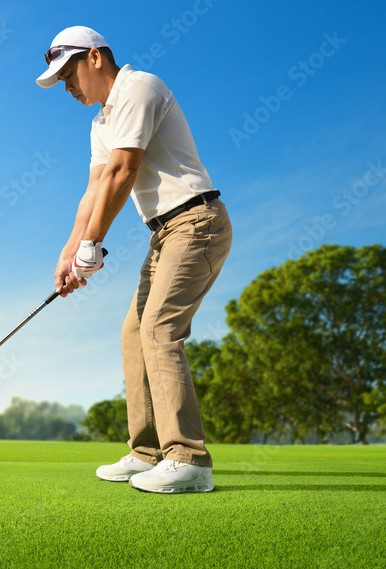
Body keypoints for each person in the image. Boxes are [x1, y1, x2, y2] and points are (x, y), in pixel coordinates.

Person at [36, 26, 232, 494]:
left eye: (69, 72)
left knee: (159, 329)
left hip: (197, 221)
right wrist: (71, 251)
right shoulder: (101, 122)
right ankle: (148, 452)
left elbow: (126, 170)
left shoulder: (139, 87)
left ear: (97, 58)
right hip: (164, 234)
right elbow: (95, 189)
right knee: (132, 334)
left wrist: (93, 245)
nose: (66, 85)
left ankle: (189, 459)